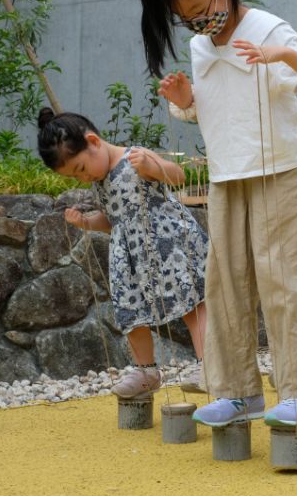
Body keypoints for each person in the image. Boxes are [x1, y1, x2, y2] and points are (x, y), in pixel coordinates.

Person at [137, 0, 297, 427]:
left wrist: (283, 54)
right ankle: (237, 392)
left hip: (281, 171)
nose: (198, 24)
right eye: (185, 19)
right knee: (225, 286)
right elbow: (220, 107)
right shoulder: (200, 45)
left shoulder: (267, 28)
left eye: (200, 11)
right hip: (228, 176)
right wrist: (187, 100)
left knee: (287, 282)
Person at [37, 108, 208, 398]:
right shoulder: (99, 181)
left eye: (80, 169)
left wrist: (153, 168)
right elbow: (114, 219)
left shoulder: (134, 157)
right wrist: (87, 223)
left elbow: (178, 177)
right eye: (74, 178)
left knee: (191, 302)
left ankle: (209, 364)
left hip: (168, 244)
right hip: (129, 258)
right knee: (132, 313)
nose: (83, 178)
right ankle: (146, 371)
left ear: (93, 141)